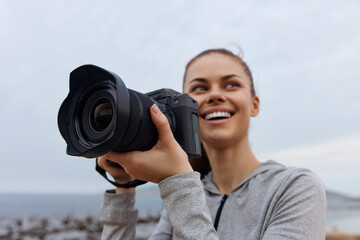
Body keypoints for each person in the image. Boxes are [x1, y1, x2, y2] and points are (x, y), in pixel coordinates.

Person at [97, 48, 327, 239]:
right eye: (199, 88)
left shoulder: (295, 188)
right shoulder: (185, 191)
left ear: (254, 104)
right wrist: (124, 187)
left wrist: (178, 181)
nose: (214, 95)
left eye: (231, 85)